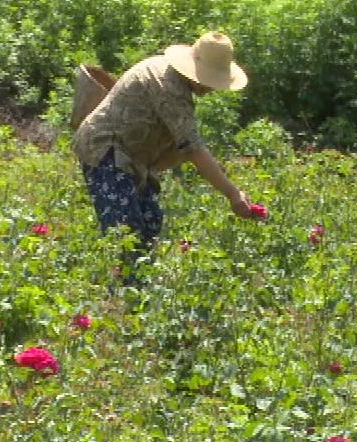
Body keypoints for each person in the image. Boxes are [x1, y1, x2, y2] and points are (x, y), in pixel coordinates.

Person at [72, 32, 255, 283]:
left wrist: (151, 171)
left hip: (134, 158)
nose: (212, 88)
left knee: (150, 222)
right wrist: (234, 195)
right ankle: (120, 300)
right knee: (126, 233)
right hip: (106, 150)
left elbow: (182, 148)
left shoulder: (176, 83)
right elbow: (194, 149)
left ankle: (135, 292)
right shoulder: (168, 86)